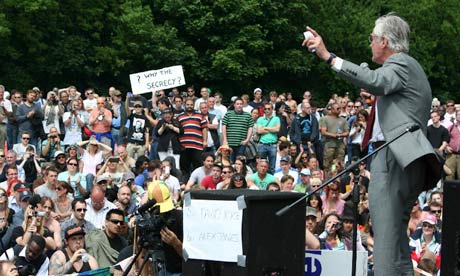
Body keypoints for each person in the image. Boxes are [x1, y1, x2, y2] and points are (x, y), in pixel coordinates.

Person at [304, 14, 441, 275]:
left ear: (385, 41)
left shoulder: (400, 63)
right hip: (401, 158)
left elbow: (375, 81)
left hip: (393, 157)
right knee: (395, 240)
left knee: (386, 242)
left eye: (372, 39)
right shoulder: (406, 67)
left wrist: (328, 57)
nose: (370, 44)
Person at [256, 103, 280, 173]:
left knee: (272, 167)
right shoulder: (260, 119)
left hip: (272, 145)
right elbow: (259, 131)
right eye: (265, 109)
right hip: (262, 144)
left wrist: (265, 128)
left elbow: (277, 129)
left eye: (269, 109)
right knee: (261, 166)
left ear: (272, 110)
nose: (267, 110)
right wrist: (272, 129)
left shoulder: (276, 118)